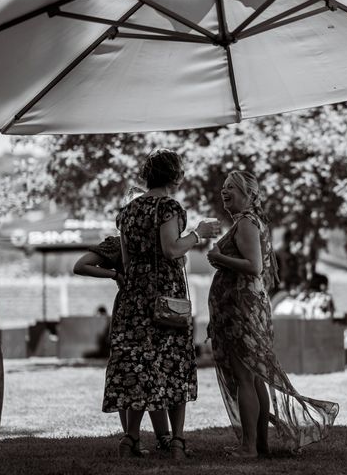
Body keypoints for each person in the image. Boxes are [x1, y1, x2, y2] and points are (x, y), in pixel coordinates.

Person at [206, 170, 338, 458]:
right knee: (253, 378)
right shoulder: (251, 222)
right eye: (224, 187)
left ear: (249, 194)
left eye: (232, 188)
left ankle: (249, 447)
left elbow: (254, 267)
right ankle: (259, 445)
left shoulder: (246, 224)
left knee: (245, 377)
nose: (225, 191)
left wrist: (217, 257)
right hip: (243, 307)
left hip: (243, 309)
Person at [102, 149, 220, 459]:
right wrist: (198, 233)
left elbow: (127, 261)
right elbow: (171, 249)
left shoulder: (126, 212)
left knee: (135, 367)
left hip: (131, 299)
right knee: (173, 364)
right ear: (176, 177)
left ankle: (129, 440)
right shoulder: (168, 207)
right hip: (165, 299)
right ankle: (177, 442)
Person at [73, 235, 170, 454]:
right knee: (138, 372)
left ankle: (140, 439)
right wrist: (114, 274)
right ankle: (152, 438)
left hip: (141, 313)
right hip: (144, 313)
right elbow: (80, 266)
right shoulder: (123, 242)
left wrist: (116, 274)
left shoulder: (154, 239)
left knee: (137, 373)